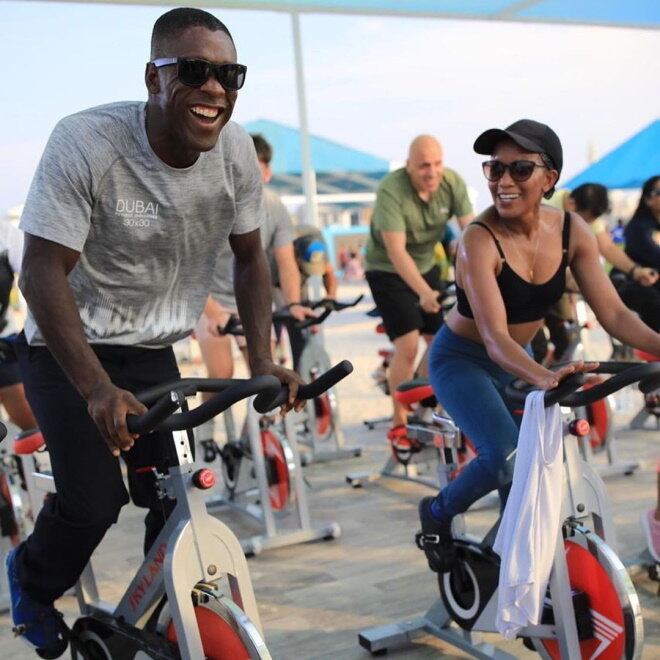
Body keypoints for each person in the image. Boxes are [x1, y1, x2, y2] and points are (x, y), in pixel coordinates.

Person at [5, 9, 303, 656]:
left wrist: (262, 359)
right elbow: (39, 272)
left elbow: (252, 258)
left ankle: (157, 619)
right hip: (68, 349)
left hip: (155, 349)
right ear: (152, 77)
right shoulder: (88, 142)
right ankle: (28, 581)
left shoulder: (234, 153)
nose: (215, 89)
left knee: (180, 502)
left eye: (230, 74)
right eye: (194, 71)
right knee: (93, 501)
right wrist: (95, 389)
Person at [418, 119, 660, 574]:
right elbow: (493, 339)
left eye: (520, 170)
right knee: (506, 455)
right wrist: (546, 378)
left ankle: (514, 569)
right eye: (495, 170)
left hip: (519, 359)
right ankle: (437, 513)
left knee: (534, 468)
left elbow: (616, 315)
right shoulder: (478, 238)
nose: (504, 182)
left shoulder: (573, 232)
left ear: (549, 178)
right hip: (463, 359)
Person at [193, 133, 314, 449]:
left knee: (266, 378)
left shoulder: (274, 207)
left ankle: (250, 443)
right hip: (210, 299)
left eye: (255, 168)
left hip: (250, 299)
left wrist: (295, 303)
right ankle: (205, 434)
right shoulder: (213, 202)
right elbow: (192, 267)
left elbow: (286, 263)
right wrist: (214, 312)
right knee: (221, 373)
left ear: (266, 172)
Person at [364, 135, 474, 446]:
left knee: (445, 339)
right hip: (387, 269)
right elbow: (396, 252)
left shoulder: (452, 183)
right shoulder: (391, 189)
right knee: (409, 343)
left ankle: (427, 403)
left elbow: (473, 230)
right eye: (424, 165)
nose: (432, 172)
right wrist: (424, 293)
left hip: (426, 265)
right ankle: (399, 421)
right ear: (409, 166)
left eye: (437, 163)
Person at [568, 182, 659, 331]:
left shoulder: (586, 216)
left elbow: (608, 247)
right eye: (658, 192)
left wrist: (636, 271)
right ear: (571, 204)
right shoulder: (640, 228)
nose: (588, 225)